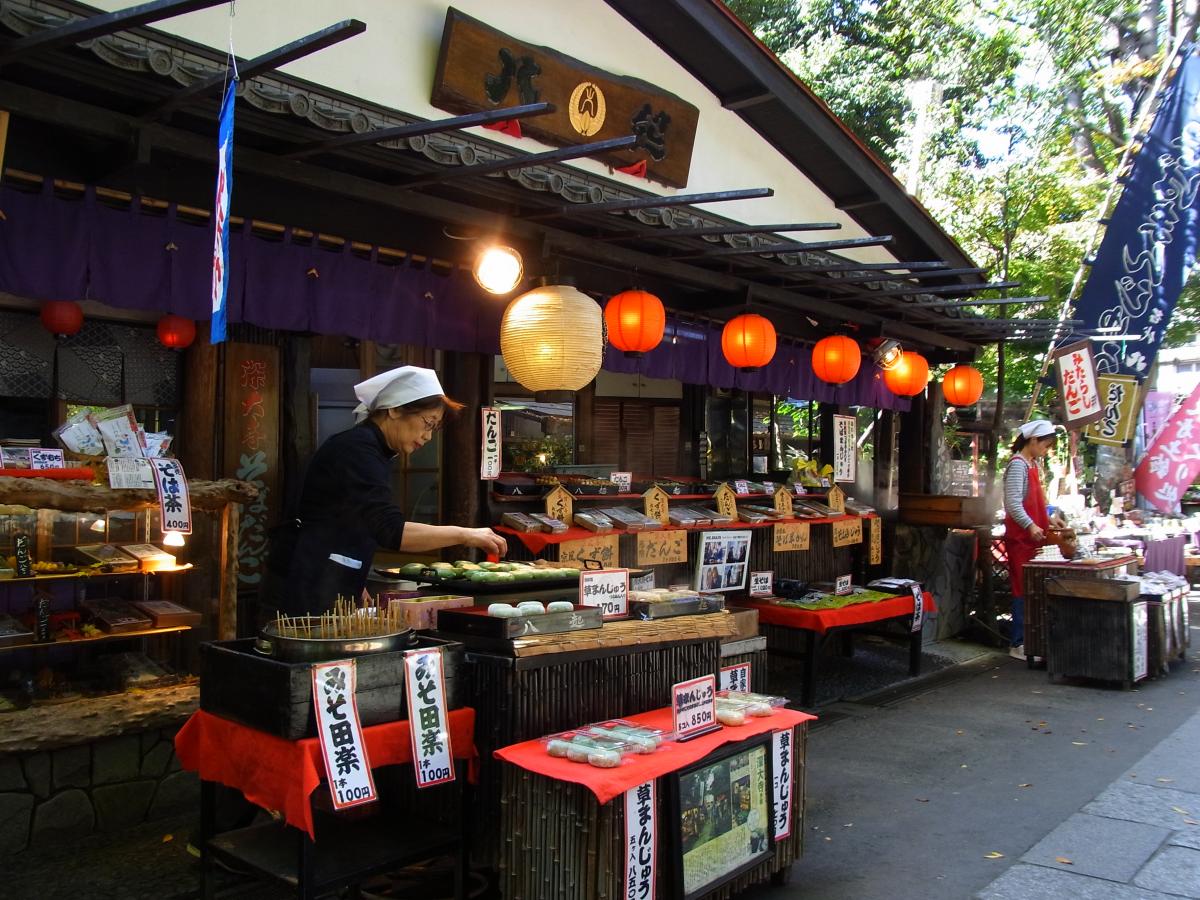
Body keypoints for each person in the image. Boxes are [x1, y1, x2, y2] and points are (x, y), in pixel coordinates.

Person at [262, 365, 507, 620]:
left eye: (433, 429)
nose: (428, 436)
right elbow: (390, 530)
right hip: (303, 585)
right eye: (427, 423)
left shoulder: (371, 450)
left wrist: (354, 580)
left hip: (323, 580)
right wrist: (465, 534)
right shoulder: (357, 450)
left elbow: (347, 520)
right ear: (395, 408)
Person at [1003, 419, 1067, 661]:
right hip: (1021, 539)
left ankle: (1032, 640)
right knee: (1022, 588)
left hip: (1033, 538)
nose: (1046, 450)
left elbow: (1035, 502)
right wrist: (1030, 525)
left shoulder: (1031, 465)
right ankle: (1018, 641)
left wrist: (1050, 520)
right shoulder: (1018, 465)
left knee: (1033, 589)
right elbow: (1012, 503)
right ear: (1032, 440)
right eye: (1045, 445)